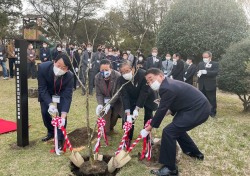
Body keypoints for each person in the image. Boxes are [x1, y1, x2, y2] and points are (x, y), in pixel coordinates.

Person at [142, 68, 211, 176]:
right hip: (195, 108)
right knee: (176, 128)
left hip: (198, 109)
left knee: (169, 132)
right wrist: (162, 113)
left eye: (151, 79)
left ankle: (170, 169)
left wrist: (149, 128)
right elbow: (173, 103)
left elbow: (162, 109)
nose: (151, 83)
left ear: (160, 76)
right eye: (148, 82)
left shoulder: (166, 87)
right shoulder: (168, 84)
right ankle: (194, 153)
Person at [37, 54, 74, 149]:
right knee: (45, 112)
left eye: (63, 68)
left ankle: (60, 139)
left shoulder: (69, 76)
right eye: (58, 65)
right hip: (47, 93)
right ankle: (51, 132)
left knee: (62, 116)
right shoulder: (43, 68)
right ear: (54, 62)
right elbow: (42, 89)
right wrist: (50, 104)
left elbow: (67, 97)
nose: (60, 69)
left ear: (67, 69)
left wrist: (63, 116)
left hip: (60, 94)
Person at [117, 60, 157, 145]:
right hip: (132, 98)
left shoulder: (143, 74)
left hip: (148, 96)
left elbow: (144, 92)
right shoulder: (121, 80)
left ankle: (147, 135)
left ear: (133, 69)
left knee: (148, 115)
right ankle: (127, 137)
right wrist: (128, 113)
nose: (125, 74)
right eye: (122, 72)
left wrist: (137, 108)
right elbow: (124, 96)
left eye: (127, 71)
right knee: (129, 119)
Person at [95, 59, 124, 138]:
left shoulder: (117, 75)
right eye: (102, 70)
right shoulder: (97, 77)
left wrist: (110, 103)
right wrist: (100, 104)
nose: (104, 72)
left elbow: (118, 92)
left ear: (111, 69)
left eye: (106, 70)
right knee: (105, 114)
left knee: (115, 115)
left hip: (116, 100)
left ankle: (111, 128)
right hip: (104, 99)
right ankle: (106, 132)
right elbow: (98, 93)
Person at [197, 51, 219, 117]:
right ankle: (203, 112)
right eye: (203, 57)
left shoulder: (215, 64)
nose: (204, 58)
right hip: (201, 85)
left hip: (210, 85)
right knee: (202, 99)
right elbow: (197, 71)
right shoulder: (200, 64)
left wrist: (206, 72)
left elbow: (215, 72)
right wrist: (198, 73)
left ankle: (212, 113)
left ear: (210, 57)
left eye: (206, 57)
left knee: (212, 99)